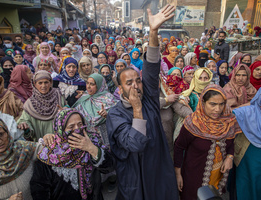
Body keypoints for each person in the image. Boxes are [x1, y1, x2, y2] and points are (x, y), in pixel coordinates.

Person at [106, 5, 179, 199]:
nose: (136, 85)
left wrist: (153, 31)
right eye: (129, 83)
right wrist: (137, 109)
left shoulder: (149, 99)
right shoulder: (115, 114)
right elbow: (135, 145)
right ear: (120, 89)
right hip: (134, 177)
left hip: (157, 170)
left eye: (138, 80)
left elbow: (152, 65)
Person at [30, 108, 115, 200]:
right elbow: (39, 190)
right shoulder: (49, 153)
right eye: (71, 127)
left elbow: (110, 167)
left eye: (80, 124)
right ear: (60, 130)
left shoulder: (92, 141)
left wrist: (91, 148)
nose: (77, 129)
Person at [174, 84, 242, 200]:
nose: (218, 109)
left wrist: (230, 157)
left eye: (221, 104)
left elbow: (231, 143)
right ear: (203, 102)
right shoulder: (193, 123)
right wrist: (178, 174)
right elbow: (179, 147)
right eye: (213, 104)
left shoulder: (228, 121)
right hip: (193, 176)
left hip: (217, 175)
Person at [0, 117, 40, 200]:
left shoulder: (23, 149)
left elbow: (48, 151)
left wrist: (48, 138)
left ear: (7, 133)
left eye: (1, 134)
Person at [17, 70, 65, 141]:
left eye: (46, 82)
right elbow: (25, 121)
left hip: (59, 141)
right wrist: (25, 126)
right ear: (34, 84)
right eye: (40, 83)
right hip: (41, 142)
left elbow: (68, 112)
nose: (43, 86)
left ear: (51, 82)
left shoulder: (59, 96)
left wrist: (65, 112)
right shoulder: (30, 104)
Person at [73, 73, 117, 146]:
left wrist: (107, 115)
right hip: (87, 139)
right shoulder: (85, 96)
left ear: (99, 85)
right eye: (87, 83)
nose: (88, 87)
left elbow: (117, 116)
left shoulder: (109, 99)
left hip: (105, 137)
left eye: (92, 84)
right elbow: (76, 112)